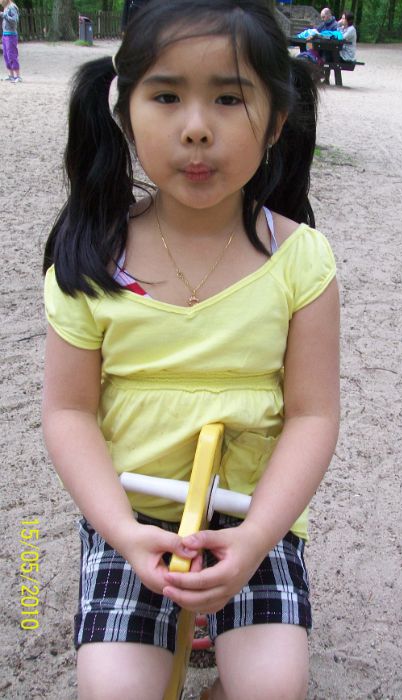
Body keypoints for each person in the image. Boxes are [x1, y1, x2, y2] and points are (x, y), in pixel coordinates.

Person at [42, 1, 340, 698]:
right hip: (131, 518)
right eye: (167, 95)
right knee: (111, 690)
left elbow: (313, 415)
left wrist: (257, 537)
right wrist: (122, 533)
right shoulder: (90, 260)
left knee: (273, 688)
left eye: (229, 98)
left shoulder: (302, 261)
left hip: (252, 514)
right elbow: (67, 413)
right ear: (124, 113)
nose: (197, 127)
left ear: (275, 121)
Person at [0, 0, 21, 83]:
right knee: (6, 55)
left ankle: (18, 76)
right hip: (5, 34)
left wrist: (3, 15)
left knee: (12, 55)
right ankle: (11, 76)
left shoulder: (12, 7)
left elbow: (15, 20)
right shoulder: (6, 7)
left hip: (11, 35)